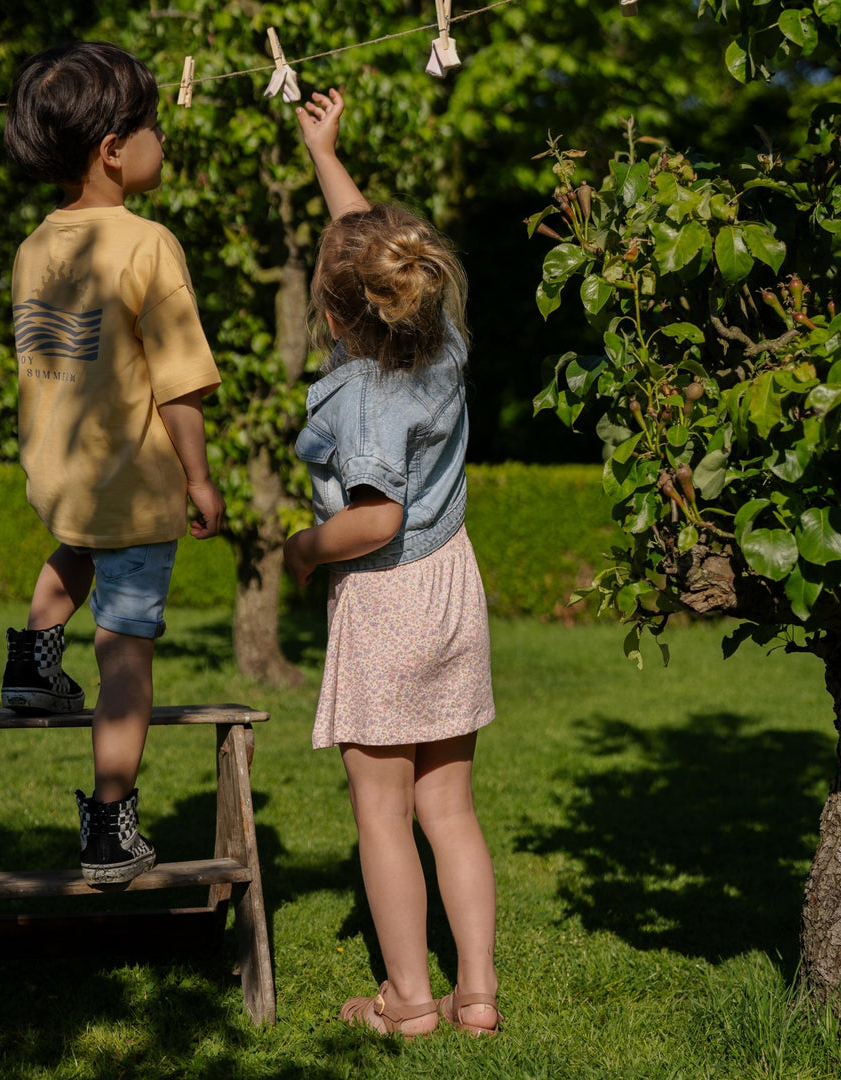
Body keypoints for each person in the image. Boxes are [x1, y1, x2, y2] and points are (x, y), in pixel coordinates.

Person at [284, 88, 500, 1038]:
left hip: (388, 596)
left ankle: (409, 1000)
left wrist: (303, 548)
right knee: (447, 806)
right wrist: (325, 154)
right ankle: (476, 995)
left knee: (381, 810)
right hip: (452, 585)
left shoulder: (362, 394)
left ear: (336, 315)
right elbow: (367, 247)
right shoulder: (438, 341)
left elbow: (376, 519)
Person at [0, 42, 225, 886]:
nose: (163, 138)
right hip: (132, 484)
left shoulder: (35, 245)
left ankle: (32, 662)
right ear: (113, 150)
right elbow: (180, 380)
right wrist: (197, 478)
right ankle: (108, 826)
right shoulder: (148, 244)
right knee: (125, 655)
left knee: (74, 551)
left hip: (62, 476)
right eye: (152, 125)